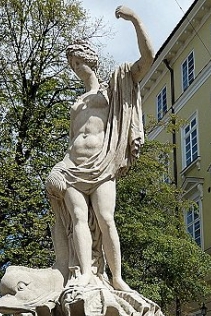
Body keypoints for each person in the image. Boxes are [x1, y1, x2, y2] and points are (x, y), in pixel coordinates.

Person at [46, 5, 154, 292]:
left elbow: (148, 59)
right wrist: (58, 168)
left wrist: (135, 19)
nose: (75, 68)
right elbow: (73, 138)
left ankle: (116, 277)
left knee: (106, 219)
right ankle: (83, 274)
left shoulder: (113, 88)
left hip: (102, 163)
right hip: (71, 167)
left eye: (77, 62)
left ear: (89, 61)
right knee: (78, 218)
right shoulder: (76, 103)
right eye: (71, 64)